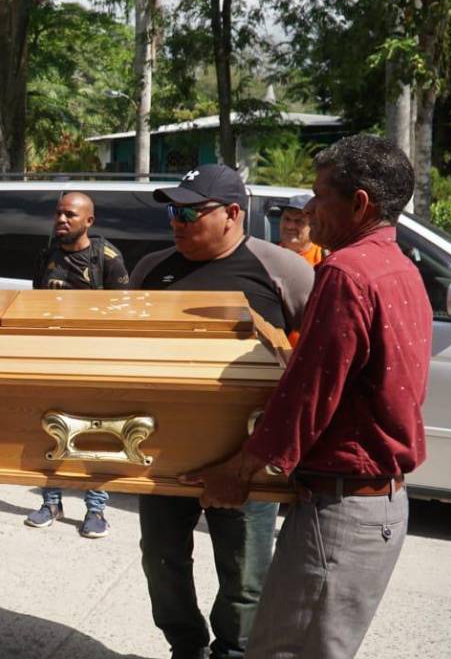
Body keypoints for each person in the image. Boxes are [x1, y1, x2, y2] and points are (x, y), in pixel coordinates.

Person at [181, 135, 429, 659]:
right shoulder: (401, 267)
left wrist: (240, 470)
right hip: (375, 504)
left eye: (320, 195)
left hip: (343, 513)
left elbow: (309, 395)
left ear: (359, 202)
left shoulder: (347, 272)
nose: (310, 209)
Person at [129, 164, 315, 659]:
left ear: (233, 213)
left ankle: (232, 652)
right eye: (172, 209)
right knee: (161, 560)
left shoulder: (285, 270)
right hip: (165, 450)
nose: (177, 220)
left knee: (245, 576)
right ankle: (183, 647)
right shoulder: (151, 268)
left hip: (246, 458)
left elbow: (313, 361)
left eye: (190, 211)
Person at [25, 191, 128, 538]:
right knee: (48, 429)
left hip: (95, 362)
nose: (62, 220)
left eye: (70, 214)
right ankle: (50, 501)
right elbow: (34, 305)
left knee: (95, 434)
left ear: (89, 221)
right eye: (58, 213)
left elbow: (123, 315)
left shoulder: (108, 258)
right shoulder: (45, 256)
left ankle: (96, 508)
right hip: (50, 359)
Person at [277, 194, 324, 266]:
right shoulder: (266, 256)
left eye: (299, 221)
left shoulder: (324, 259)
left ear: (315, 226)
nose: (290, 226)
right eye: (287, 219)